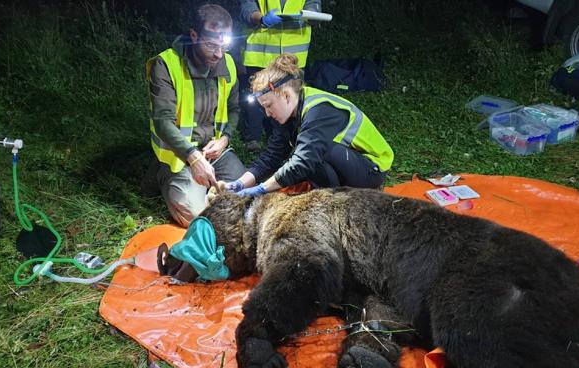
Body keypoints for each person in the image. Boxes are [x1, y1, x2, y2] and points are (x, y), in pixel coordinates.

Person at [225, 54, 394, 196]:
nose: (267, 114)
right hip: (346, 162)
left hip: (371, 169)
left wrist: (262, 189)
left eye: (268, 106)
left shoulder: (319, 110)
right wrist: (240, 184)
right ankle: (330, 197)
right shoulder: (288, 113)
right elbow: (272, 155)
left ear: (285, 95)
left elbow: (303, 161)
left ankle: (336, 203)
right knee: (305, 157)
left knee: (312, 155)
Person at [145, 4, 246, 227]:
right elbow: (162, 122)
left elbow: (234, 110)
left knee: (248, 196)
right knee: (199, 217)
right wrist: (193, 157)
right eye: (211, 45)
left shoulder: (227, 62)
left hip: (215, 152)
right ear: (194, 35)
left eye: (224, 46)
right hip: (179, 158)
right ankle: (164, 177)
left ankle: (208, 186)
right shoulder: (166, 65)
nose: (219, 53)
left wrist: (225, 138)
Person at [240, 0, 322, 152]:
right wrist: (261, 19)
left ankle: (286, 138)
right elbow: (246, 8)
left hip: (293, 55)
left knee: (289, 98)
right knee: (256, 98)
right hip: (261, 53)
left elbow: (314, 4)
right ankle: (253, 138)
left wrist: (312, 14)